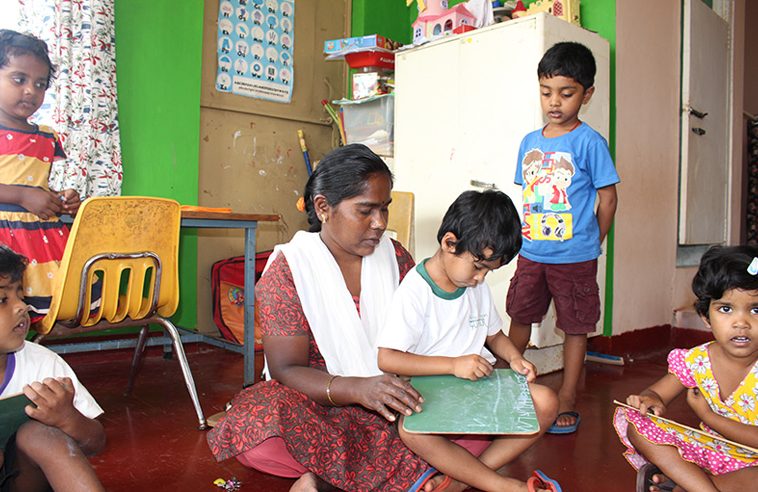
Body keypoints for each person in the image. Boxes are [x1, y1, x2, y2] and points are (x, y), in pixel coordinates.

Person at [208, 144, 444, 491]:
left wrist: (398, 385)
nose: (379, 223)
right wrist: (359, 389)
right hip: (324, 404)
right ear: (323, 208)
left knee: (467, 405)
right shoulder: (289, 269)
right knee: (261, 422)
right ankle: (420, 472)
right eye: (366, 210)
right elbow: (287, 370)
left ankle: (326, 481)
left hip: (396, 399)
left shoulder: (395, 257)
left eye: (384, 209)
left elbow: (426, 332)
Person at [377, 190, 561, 492]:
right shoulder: (416, 291)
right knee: (410, 430)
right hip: (431, 394)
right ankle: (498, 484)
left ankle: (460, 481)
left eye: (489, 271)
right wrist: (453, 365)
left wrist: (515, 357)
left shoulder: (473, 286)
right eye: (478, 267)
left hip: (475, 389)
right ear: (449, 243)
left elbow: (494, 335)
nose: (480, 278)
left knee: (546, 401)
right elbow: (387, 359)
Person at [506, 41, 620, 434]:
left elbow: (607, 198)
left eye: (566, 93)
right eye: (546, 92)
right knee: (520, 315)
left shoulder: (590, 142)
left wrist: (595, 240)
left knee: (575, 325)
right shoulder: (528, 142)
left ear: (586, 95)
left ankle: (568, 395)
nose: (554, 102)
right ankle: (507, 381)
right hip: (532, 252)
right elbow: (529, 197)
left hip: (575, 256)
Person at [614, 245, 758, 492]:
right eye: (726, 309)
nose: (741, 323)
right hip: (709, 451)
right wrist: (651, 400)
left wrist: (709, 417)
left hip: (752, 464)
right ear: (705, 316)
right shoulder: (698, 359)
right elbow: (658, 393)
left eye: (756, 310)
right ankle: (700, 486)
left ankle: (687, 484)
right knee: (636, 422)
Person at [0, 245, 105, 491]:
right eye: (2, 299)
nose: (21, 307)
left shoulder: (43, 363)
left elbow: (97, 442)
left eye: (20, 295)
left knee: (40, 434)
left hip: (22, 482)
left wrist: (67, 418)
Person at [0, 30, 81, 323]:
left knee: (33, 311)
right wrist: (22, 196)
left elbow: (34, 183)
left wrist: (58, 198)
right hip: (3, 241)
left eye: (40, 84)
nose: (30, 91)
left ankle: (31, 361)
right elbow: (24, 190)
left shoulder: (46, 137)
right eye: (19, 79)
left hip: (38, 241)